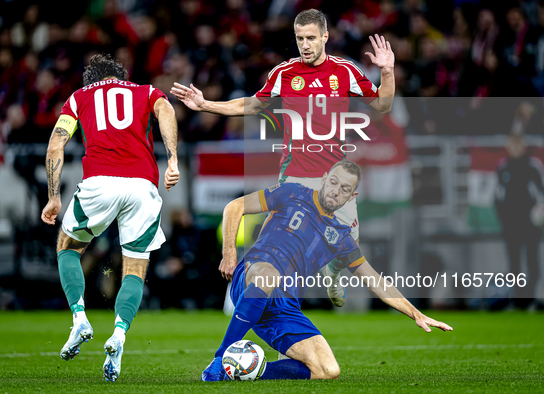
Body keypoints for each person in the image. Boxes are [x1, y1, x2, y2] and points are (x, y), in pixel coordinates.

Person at [171, 9, 395, 307]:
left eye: (311, 38)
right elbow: (251, 105)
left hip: (335, 178)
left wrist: (388, 71)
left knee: (349, 245)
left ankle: (334, 272)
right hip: (295, 176)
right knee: (276, 245)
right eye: (300, 38)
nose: (305, 44)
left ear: (325, 37)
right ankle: (254, 303)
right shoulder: (283, 73)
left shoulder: (345, 71)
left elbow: (383, 105)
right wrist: (205, 104)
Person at [202, 160, 452, 381]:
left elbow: (375, 280)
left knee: (327, 370)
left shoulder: (341, 238)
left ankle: (247, 371)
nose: (336, 191)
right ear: (323, 180)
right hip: (252, 278)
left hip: (284, 306)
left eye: (344, 189)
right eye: (333, 182)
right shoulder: (291, 192)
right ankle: (218, 360)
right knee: (269, 274)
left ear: (351, 197)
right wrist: (229, 253)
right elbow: (234, 207)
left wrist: (415, 314)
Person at [40, 54, 179, 382]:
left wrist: (53, 196)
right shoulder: (145, 92)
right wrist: (172, 159)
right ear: (121, 76)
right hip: (143, 186)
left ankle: (79, 318)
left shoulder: (79, 97)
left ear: (91, 79)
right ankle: (119, 334)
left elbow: (55, 147)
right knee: (135, 269)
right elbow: (167, 110)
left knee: (67, 246)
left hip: (99, 184)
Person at [495, 134, 544, 308]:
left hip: (530, 225)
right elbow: (498, 197)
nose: (515, 149)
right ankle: (519, 301)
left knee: (533, 265)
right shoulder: (503, 168)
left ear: (523, 147)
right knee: (514, 266)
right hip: (511, 226)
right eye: (512, 146)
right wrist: (504, 221)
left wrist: (538, 215)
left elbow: (540, 194)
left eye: (518, 146)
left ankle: (530, 299)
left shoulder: (532, 167)